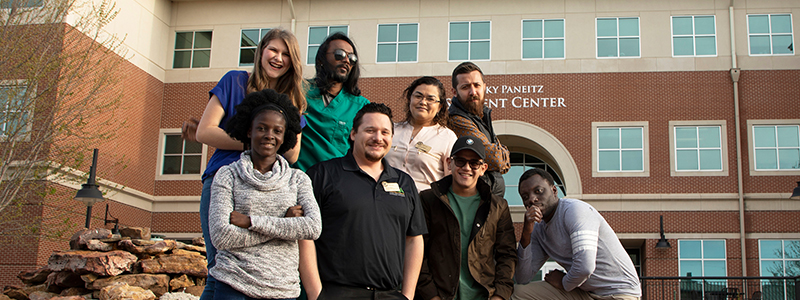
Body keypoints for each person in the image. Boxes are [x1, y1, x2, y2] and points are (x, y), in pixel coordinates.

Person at [180, 28, 307, 300]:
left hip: (268, 189)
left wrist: (258, 143)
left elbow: (293, 154)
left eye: (286, 54)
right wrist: (256, 142)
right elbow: (205, 132)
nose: (278, 58)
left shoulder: (292, 101)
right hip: (224, 181)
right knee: (219, 266)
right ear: (261, 50)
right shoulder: (235, 82)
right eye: (273, 49)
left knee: (256, 271)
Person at [303, 103, 427, 300]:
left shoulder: (404, 182)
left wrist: (407, 295)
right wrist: (315, 294)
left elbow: (414, 239)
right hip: (337, 293)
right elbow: (304, 235)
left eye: (385, 132)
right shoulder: (322, 175)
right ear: (353, 134)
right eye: (370, 130)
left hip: (390, 294)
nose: (378, 138)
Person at [208, 89, 321, 300]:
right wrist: (284, 225)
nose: (270, 135)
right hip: (233, 285)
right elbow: (221, 237)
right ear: (249, 131)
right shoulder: (227, 175)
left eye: (277, 131)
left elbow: (313, 227)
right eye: (262, 128)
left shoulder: (298, 179)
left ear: (284, 136)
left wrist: (250, 221)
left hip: (282, 289)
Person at [512, 168, 641, 300]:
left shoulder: (575, 211)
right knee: (518, 293)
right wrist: (526, 232)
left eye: (538, 191)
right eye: (525, 197)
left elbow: (585, 267)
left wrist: (564, 282)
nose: (532, 199)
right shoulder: (538, 229)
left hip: (619, 293)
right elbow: (522, 278)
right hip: (585, 292)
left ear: (554, 191)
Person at [416, 136, 517, 300]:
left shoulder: (497, 206)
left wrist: (500, 295)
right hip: (440, 296)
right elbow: (418, 251)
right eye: (460, 161)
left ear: (483, 168)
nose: (466, 167)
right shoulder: (429, 200)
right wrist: (431, 295)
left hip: (483, 295)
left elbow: (507, 255)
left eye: (474, 163)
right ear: (449, 163)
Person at [294, 32, 369, 171]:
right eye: (339, 54)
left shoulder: (362, 106)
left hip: (338, 181)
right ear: (322, 59)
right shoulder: (299, 91)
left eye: (352, 58)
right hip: (300, 178)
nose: (346, 60)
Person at [448, 62, 510, 197]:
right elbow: (496, 159)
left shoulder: (480, 118)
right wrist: (502, 152)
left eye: (477, 85)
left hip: (488, 200)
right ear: (454, 92)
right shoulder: (457, 120)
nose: (473, 92)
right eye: (465, 87)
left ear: (484, 87)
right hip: (475, 200)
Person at [385, 76, 457, 192]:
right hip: (386, 201)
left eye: (430, 99)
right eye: (418, 96)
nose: (423, 102)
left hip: (424, 205)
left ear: (440, 107)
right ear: (410, 99)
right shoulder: (391, 129)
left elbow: (451, 180)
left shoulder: (447, 137)